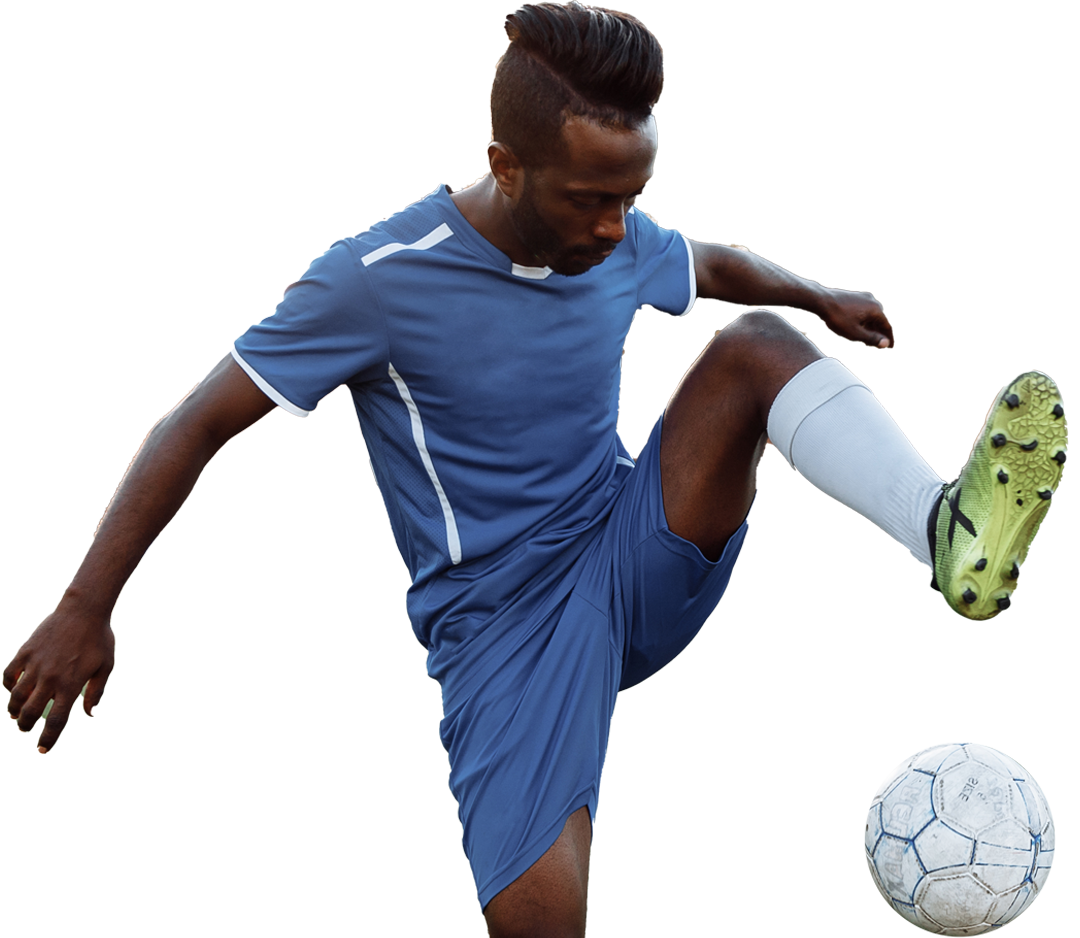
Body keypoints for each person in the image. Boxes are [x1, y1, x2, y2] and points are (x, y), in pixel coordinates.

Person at [4, 3, 1067, 936]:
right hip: (501, 620)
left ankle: (941, 527)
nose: (616, 227)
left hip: (629, 544)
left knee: (750, 344)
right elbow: (196, 421)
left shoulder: (610, 236)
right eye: (592, 199)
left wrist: (812, 297)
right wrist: (85, 605)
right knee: (537, 919)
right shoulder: (375, 281)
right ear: (505, 166)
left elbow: (705, 265)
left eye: (632, 195)